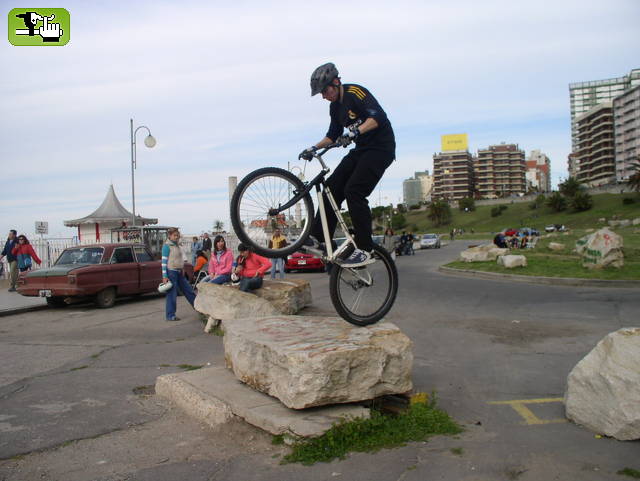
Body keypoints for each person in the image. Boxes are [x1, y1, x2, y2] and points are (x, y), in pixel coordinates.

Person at [299, 62, 395, 268]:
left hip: (381, 149)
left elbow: (377, 117)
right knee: (330, 189)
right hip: (361, 150)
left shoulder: (355, 92)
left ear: (336, 82)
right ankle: (318, 237)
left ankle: (365, 248)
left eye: (325, 91)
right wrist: (313, 148)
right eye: (321, 94)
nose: (324, 96)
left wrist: (355, 132)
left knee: (354, 191)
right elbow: (332, 135)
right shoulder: (335, 108)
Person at [161, 227, 196, 321]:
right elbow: (164, 262)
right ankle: (170, 315)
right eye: (174, 235)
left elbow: (180, 259)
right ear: (169, 236)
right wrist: (164, 276)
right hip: (171, 272)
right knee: (172, 294)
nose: (176, 237)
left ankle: (199, 308)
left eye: (178, 235)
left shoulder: (177, 246)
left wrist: (183, 268)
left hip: (180, 272)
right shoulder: (166, 246)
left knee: (189, 290)